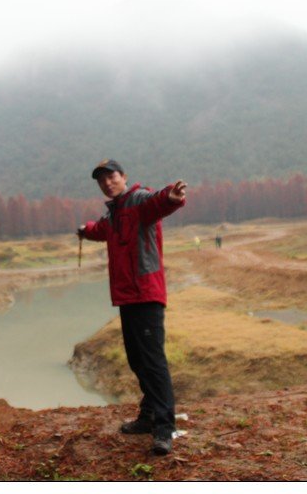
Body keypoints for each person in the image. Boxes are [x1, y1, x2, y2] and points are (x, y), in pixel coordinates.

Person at [77, 159, 186, 455]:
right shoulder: (114, 213)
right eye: (101, 180)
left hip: (146, 295)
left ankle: (164, 428)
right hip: (126, 297)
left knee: (153, 362)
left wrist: (171, 196)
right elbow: (101, 229)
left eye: (111, 177)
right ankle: (149, 416)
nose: (107, 183)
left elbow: (157, 202)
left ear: (124, 177)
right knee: (138, 360)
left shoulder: (138, 200)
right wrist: (85, 230)